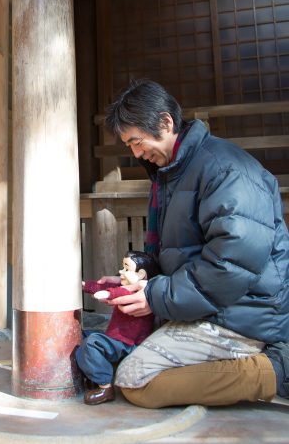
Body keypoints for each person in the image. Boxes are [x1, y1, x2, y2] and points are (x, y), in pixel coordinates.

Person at [97, 79, 289, 408]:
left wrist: (154, 297)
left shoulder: (225, 169)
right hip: (209, 306)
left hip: (243, 314)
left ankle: (274, 369)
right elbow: (181, 257)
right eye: (130, 145)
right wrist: (138, 281)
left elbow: (229, 267)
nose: (137, 153)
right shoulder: (174, 172)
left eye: (138, 141)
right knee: (114, 353)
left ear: (166, 122)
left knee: (135, 380)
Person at [77, 251, 161, 405]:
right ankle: (92, 378)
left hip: (127, 344)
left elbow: (118, 292)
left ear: (141, 274)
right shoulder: (127, 285)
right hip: (115, 338)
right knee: (81, 335)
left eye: (127, 269)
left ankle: (105, 386)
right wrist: (85, 285)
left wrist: (108, 294)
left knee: (91, 343)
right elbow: (109, 285)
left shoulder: (139, 291)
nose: (121, 272)